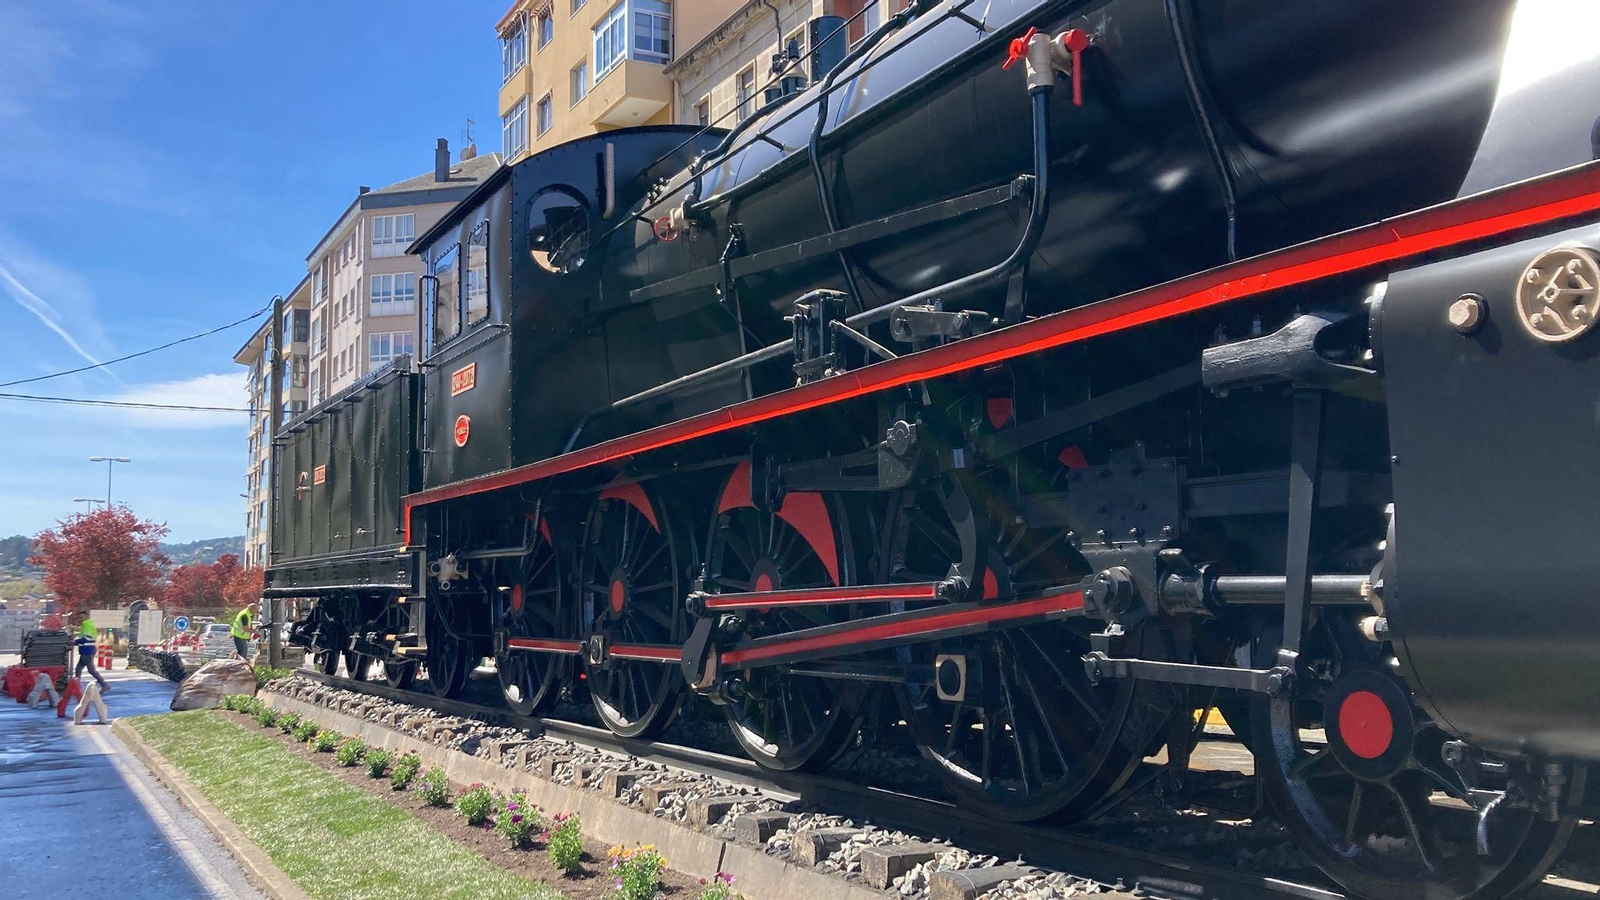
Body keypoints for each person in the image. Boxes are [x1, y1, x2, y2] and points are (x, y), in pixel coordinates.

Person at [70, 611, 110, 694]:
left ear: (86, 617)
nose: (80, 619)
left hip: (87, 650)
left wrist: (75, 641)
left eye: (82, 617)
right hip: (87, 650)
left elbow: (87, 638)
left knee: (88, 670)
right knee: (80, 669)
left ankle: (104, 685)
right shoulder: (86, 625)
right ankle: (76, 687)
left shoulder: (87, 625)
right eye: (79, 617)